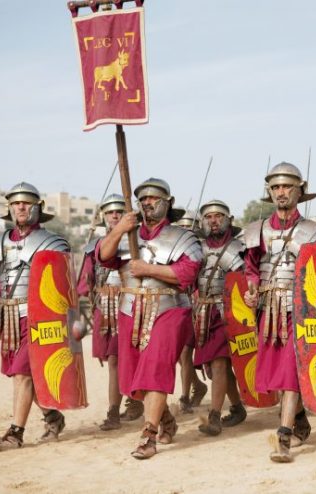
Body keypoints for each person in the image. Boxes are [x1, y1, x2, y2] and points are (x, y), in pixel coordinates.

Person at [96, 178, 203, 459]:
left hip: (170, 308)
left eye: (154, 198)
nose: (147, 202)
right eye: (143, 199)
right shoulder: (128, 234)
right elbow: (103, 256)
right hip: (130, 307)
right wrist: (119, 228)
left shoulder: (183, 238)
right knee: (132, 379)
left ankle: (149, 434)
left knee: (155, 369)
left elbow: (187, 274)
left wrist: (149, 269)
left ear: (167, 202)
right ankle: (166, 420)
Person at [242, 162, 316, 462]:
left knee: (291, 371)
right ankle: (300, 420)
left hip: (300, 311)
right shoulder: (256, 231)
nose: (281, 192)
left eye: (287, 186)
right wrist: (252, 288)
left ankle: (283, 435)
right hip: (269, 310)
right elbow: (251, 268)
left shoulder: (314, 232)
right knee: (278, 375)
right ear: (270, 191)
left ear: (299, 191)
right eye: (276, 187)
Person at [0, 182, 70, 450]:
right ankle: (52, 417)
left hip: (40, 318)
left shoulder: (52, 243)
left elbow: (63, 285)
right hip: (9, 317)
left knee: (23, 375)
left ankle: (15, 434)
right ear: (9, 208)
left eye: (26, 202)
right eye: (16, 202)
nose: (20, 206)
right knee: (17, 373)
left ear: (38, 208)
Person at [78, 194, 141, 430]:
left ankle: (126, 406)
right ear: (104, 217)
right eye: (110, 212)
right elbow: (85, 284)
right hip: (105, 309)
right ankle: (122, 407)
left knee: (127, 357)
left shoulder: (136, 243)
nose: (114, 215)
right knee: (114, 359)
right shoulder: (93, 247)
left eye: (119, 212)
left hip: (132, 305)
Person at [193, 199, 247, 435]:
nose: (213, 221)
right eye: (208, 217)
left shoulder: (239, 248)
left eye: (218, 216)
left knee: (220, 362)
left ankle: (214, 416)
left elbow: (245, 281)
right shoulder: (195, 248)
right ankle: (236, 408)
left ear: (229, 220)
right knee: (219, 368)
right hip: (204, 312)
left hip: (229, 312)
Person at [174, 208, 209, 413]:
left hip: (202, 307)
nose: (186, 230)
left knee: (186, 352)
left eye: (190, 227)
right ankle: (198, 385)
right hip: (179, 306)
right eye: (183, 227)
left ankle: (185, 397)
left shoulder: (204, 251)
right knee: (180, 354)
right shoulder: (174, 252)